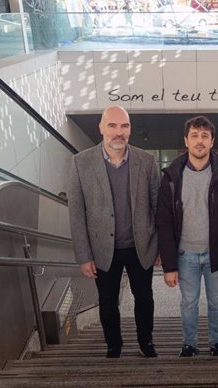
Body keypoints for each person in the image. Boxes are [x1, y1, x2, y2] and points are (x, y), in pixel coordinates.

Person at [68, 105, 160, 358]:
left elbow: (157, 207)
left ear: (130, 129)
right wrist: (83, 255)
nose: (119, 132)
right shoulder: (80, 163)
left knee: (144, 298)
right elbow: (76, 213)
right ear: (101, 128)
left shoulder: (147, 161)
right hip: (101, 250)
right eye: (112, 125)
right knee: (108, 302)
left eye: (124, 126)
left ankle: (146, 341)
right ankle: (114, 345)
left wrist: (159, 247)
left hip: (141, 246)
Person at [157, 116, 218, 357]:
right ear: (186, 140)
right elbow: (163, 223)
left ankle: (217, 342)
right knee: (188, 303)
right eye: (194, 135)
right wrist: (169, 265)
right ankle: (189, 344)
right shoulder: (172, 177)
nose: (199, 141)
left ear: (212, 141)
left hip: (216, 254)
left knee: (217, 302)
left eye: (205, 136)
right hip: (185, 255)